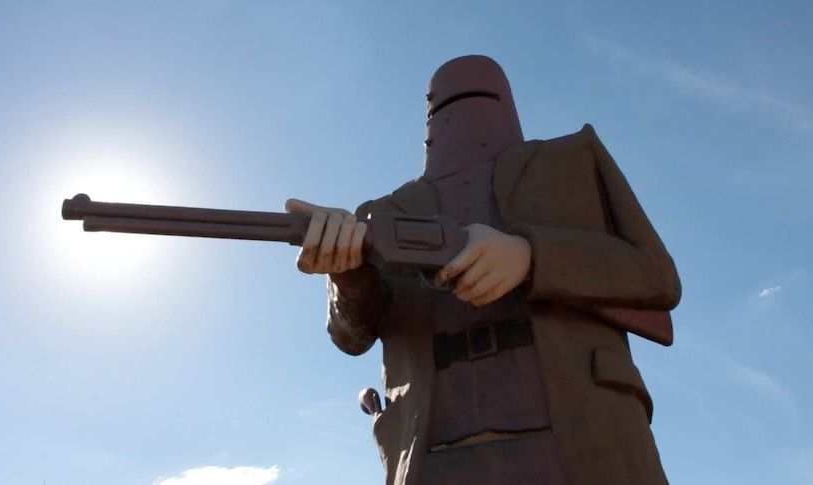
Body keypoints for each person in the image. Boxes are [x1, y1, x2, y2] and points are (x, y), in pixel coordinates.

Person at [286, 55, 681, 485]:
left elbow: (657, 276)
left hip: (587, 438)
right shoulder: (381, 214)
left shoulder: (574, 160)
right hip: (432, 447)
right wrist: (347, 276)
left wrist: (531, 257)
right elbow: (350, 335)